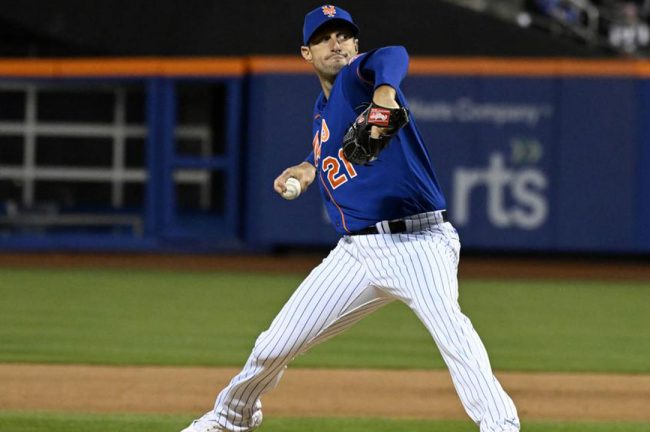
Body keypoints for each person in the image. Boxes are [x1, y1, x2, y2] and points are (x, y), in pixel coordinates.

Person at [181, 5, 521, 432]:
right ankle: (230, 418)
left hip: (419, 243)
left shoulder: (360, 77)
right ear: (307, 53)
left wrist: (383, 92)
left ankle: (502, 427)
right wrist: (307, 170)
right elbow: (326, 152)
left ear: (356, 45)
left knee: (454, 335)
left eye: (344, 35)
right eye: (325, 37)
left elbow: (393, 55)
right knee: (273, 346)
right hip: (357, 252)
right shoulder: (322, 110)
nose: (336, 42)